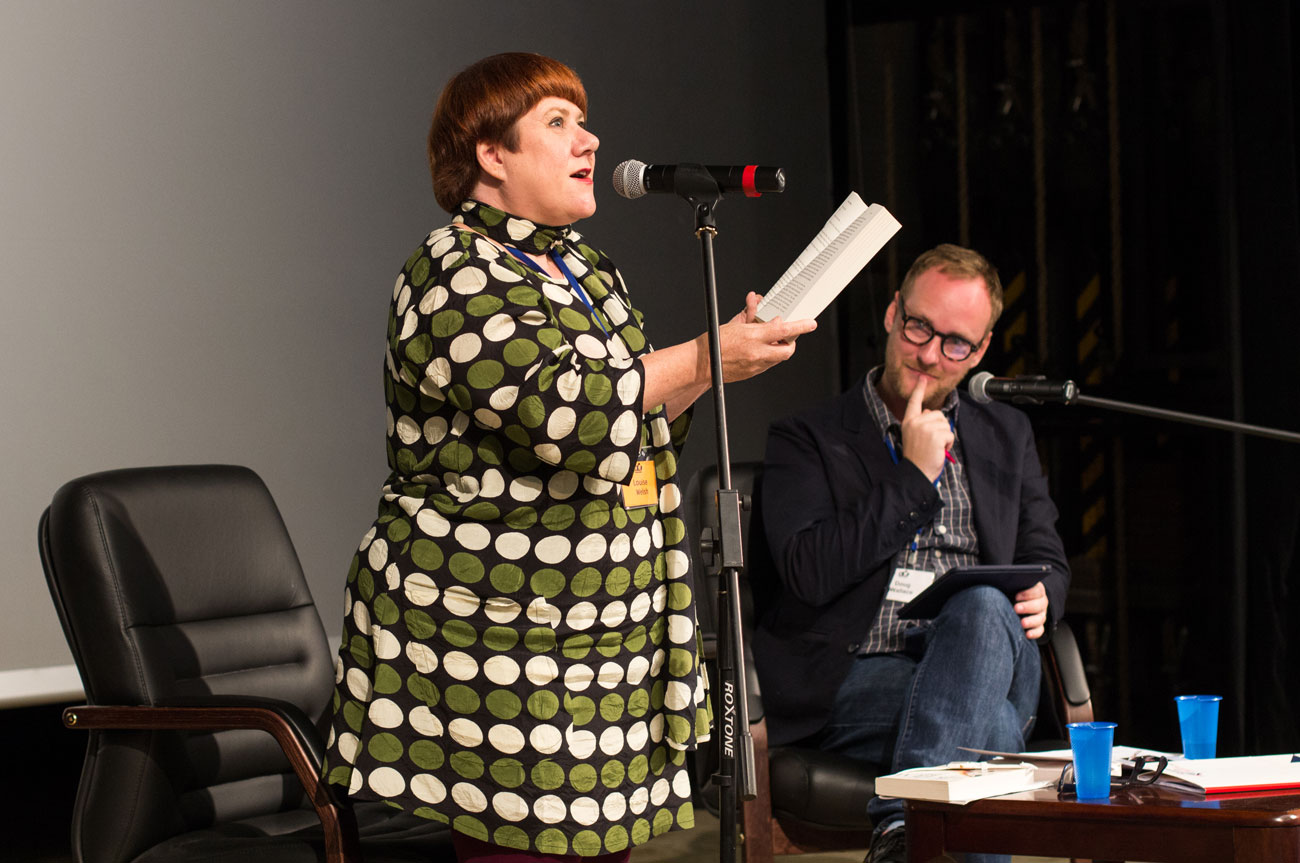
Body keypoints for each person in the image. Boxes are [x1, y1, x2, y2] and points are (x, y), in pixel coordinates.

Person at [321, 52, 815, 863]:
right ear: (491, 154)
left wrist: (718, 363)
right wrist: (703, 355)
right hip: (500, 637)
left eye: (582, 120)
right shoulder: (453, 269)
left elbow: (633, 416)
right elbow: (571, 413)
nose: (588, 140)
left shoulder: (584, 267)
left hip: (600, 635)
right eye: (558, 122)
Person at [753, 244, 1070, 863]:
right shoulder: (808, 438)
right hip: (856, 675)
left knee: (981, 604)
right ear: (894, 313)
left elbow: (1047, 552)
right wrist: (913, 480)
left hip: (993, 655)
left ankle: (901, 825)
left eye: (955, 343)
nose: (928, 354)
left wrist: (1046, 592)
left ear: (979, 353)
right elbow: (808, 574)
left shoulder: (1005, 433)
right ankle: (914, 833)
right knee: (994, 736)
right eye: (919, 327)